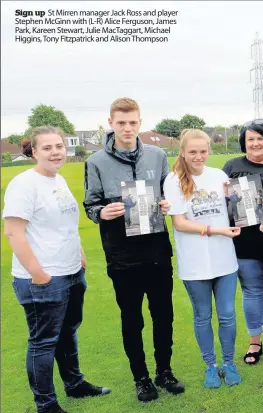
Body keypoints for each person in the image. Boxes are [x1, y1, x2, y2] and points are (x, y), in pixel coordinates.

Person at [2, 126, 110, 413]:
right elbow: (13, 233)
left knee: (67, 332)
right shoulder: (25, 184)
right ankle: (46, 404)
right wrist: (38, 273)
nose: (55, 152)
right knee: (43, 342)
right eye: (47, 148)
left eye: (59, 146)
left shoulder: (57, 179)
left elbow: (63, 224)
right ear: (34, 151)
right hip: (43, 278)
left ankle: (74, 385)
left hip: (71, 271)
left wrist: (79, 254)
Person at [83, 97, 185, 402]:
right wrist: (102, 213)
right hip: (122, 256)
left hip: (156, 252)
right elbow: (91, 205)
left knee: (163, 315)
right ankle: (141, 378)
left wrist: (167, 205)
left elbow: (168, 195)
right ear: (111, 123)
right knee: (132, 319)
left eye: (133, 122)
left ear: (140, 123)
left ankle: (164, 371)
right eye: (121, 123)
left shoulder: (156, 155)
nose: (127, 128)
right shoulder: (96, 162)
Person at [164, 129, 242, 389]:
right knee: (202, 316)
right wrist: (214, 230)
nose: (199, 156)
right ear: (183, 152)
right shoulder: (173, 180)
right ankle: (211, 366)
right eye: (193, 151)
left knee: (228, 315)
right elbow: (180, 223)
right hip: (194, 263)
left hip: (224, 259)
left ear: (209, 151)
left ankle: (229, 363)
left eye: (203, 151)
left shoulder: (219, 176)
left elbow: (233, 208)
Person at [223, 119, 263, 365]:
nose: (256, 143)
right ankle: (254, 341)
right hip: (245, 241)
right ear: (244, 142)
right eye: (251, 139)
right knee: (251, 291)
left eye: (260, 138)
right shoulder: (232, 166)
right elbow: (218, 202)